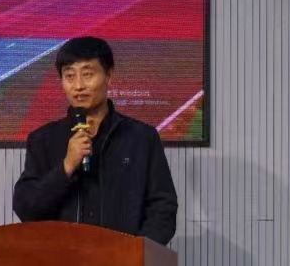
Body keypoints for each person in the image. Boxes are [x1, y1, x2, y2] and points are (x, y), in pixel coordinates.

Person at [12, 36, 178, 245]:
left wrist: (136, 251)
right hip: (62, 257)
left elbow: (162, 209)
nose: (78, 86)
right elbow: (27, 209)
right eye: (69, 76)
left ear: (109, 76)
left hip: (123, 256)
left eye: (88, 74)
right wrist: (66, 167)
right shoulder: (43, 140)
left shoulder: (142, 138)